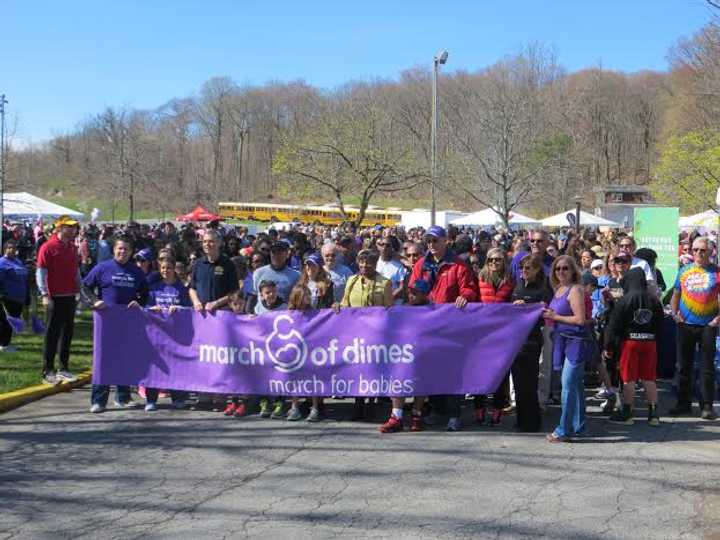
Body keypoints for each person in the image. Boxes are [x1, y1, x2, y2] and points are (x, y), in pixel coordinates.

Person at [408, 225, 478, 431]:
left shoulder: (458, 265)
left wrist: (464, 297)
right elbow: (412, 289)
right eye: (428, 241)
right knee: (431, 369)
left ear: (445, 241)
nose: (431, 244)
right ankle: (437, 410)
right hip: (427, 326)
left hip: (451, 327)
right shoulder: (421, 264)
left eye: (435, 240)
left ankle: (454, 414)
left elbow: (469, 289)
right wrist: (415, 298)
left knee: (452, 371)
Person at [82, 235, 148, 413]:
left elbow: (146, 294)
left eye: (126, 249)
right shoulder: (102, 268)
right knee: (103, 359)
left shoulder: (137, 272)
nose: (123, 252)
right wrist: (94, 301)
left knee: (124, 358)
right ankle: (98, 400)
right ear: (113, 250)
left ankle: (123, 397)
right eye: (120, 248)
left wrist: (139, 303)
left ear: (131, 252)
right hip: (106, 321)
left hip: (128, 321)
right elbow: (84, 286)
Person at [605, 268, 663, 426]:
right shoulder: (654, 300)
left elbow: (614, 326)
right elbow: (660, 325)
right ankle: (653, 415)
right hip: (650, 342)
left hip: (629, 343)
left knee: (628, 379)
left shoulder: (624, 300)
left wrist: (608, 346)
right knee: (649, 378)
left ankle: (628, 413)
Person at [188, 229, 239, 410]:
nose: (207, 244)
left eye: (211, 241)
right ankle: (204, 396)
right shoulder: (198, 264)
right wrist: (195, 301)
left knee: (219, 357)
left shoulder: (227, 264)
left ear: (219, 243)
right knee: (203, 357)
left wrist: (216, 303)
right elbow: (192, 287)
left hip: (221, 317)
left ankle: (219, 397)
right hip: (202, 318)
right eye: (204, 242)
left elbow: (234, 292)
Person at [670, 236, 720, 420]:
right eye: (695, 249)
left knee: (707, 368)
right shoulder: (683, 271)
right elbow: (675, 294)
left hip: (708, 326)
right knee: (683, 366)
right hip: (685, 326)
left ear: (710, 252)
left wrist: (717, 319)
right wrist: (675, 315)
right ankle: (683, 404)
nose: (698, 253)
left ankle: (707, 406)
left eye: (702, 250)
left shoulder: (717, 272)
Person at [341, 248, 393, 421]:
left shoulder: (385, 283)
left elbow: (389, 310)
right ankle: (358, 402)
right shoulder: (351, 280)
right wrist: (338, 307)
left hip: (375, 334)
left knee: (373, 369)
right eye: (362, 262)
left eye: (368, 262)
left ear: (375, 263)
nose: (364, 265)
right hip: (355, 333)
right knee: (357, 369)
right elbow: (345, 303)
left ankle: (371, 403)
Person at [544, 255, 589, 443]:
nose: (561, 272)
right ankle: (579, 425)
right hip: (562, 341)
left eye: (565, 268)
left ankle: (564, 429)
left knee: (568, 386)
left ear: (573, 271)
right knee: (576, 386)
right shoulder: (558, 289)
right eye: (557, 269)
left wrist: (555, 317)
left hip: (576, 343)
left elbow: (580, 319)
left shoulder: (575, 290)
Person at [36, 216, 82, 385]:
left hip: (69, 296)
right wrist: (44, 295)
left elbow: (76, 272)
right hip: (53, 297)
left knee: (67, 333)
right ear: (59, 228)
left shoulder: (72, 248)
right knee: (52, 334)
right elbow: (41, 272)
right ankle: (48, 370)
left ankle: (64, 368)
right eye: (69, 227)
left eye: (74, 227)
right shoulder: (47, 247)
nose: (72, 230)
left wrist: (79, 291)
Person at [511, 254, 552, 432]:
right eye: (522, 268)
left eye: (528, 268)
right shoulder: (518, 286)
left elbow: (544, 311)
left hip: (533, 339)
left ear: (536, 270)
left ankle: (532, 421)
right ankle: (521, 420)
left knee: (530, 383)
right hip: (516, 339)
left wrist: (528, 306)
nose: (524, 271)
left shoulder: (542, 290)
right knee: (519, 382)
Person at [145, 256, 191, 411]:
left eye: (169, 268)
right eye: (163, 268)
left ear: (174, 270)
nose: (166, 271)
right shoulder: (154, 288)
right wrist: (152, 309)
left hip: (175, 334)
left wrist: (179, 309)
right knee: (155, 366)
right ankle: (151, 400)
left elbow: (189, 309)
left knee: (175, 366)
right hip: (156, 333)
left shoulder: (181, 288)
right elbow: (145, 307)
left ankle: (177, 398)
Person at [475, 247, 515, 425]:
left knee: (501, 373)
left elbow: (513, 301)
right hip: (482, 333)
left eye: (497, 260)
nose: (494, 263)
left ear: (503, 261)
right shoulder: (480, 278)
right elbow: (473, 298)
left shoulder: (510, 280)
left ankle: (498, 408)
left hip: (502, 333)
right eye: (491, 260)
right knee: (479, 371)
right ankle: (479, 407)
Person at [0, 240, 28, 352]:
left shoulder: (18, 261)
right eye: (10, 247)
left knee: (13, 321)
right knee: (6, 321)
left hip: (19, 297)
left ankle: (7, 342)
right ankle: (3, 344)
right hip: (7, 297)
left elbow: (24, 276)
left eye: (14, 248)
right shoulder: (2, 263)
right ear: (5, 249)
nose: (12, 250)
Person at [375, 236, 406, 304]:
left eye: (388, 245)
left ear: (392, 248)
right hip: (375, 303)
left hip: (393, 304)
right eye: (382, 244)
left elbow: (401, 287)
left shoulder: (398, 266)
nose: (384, 247)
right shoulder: (374, 262)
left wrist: (388, 298)